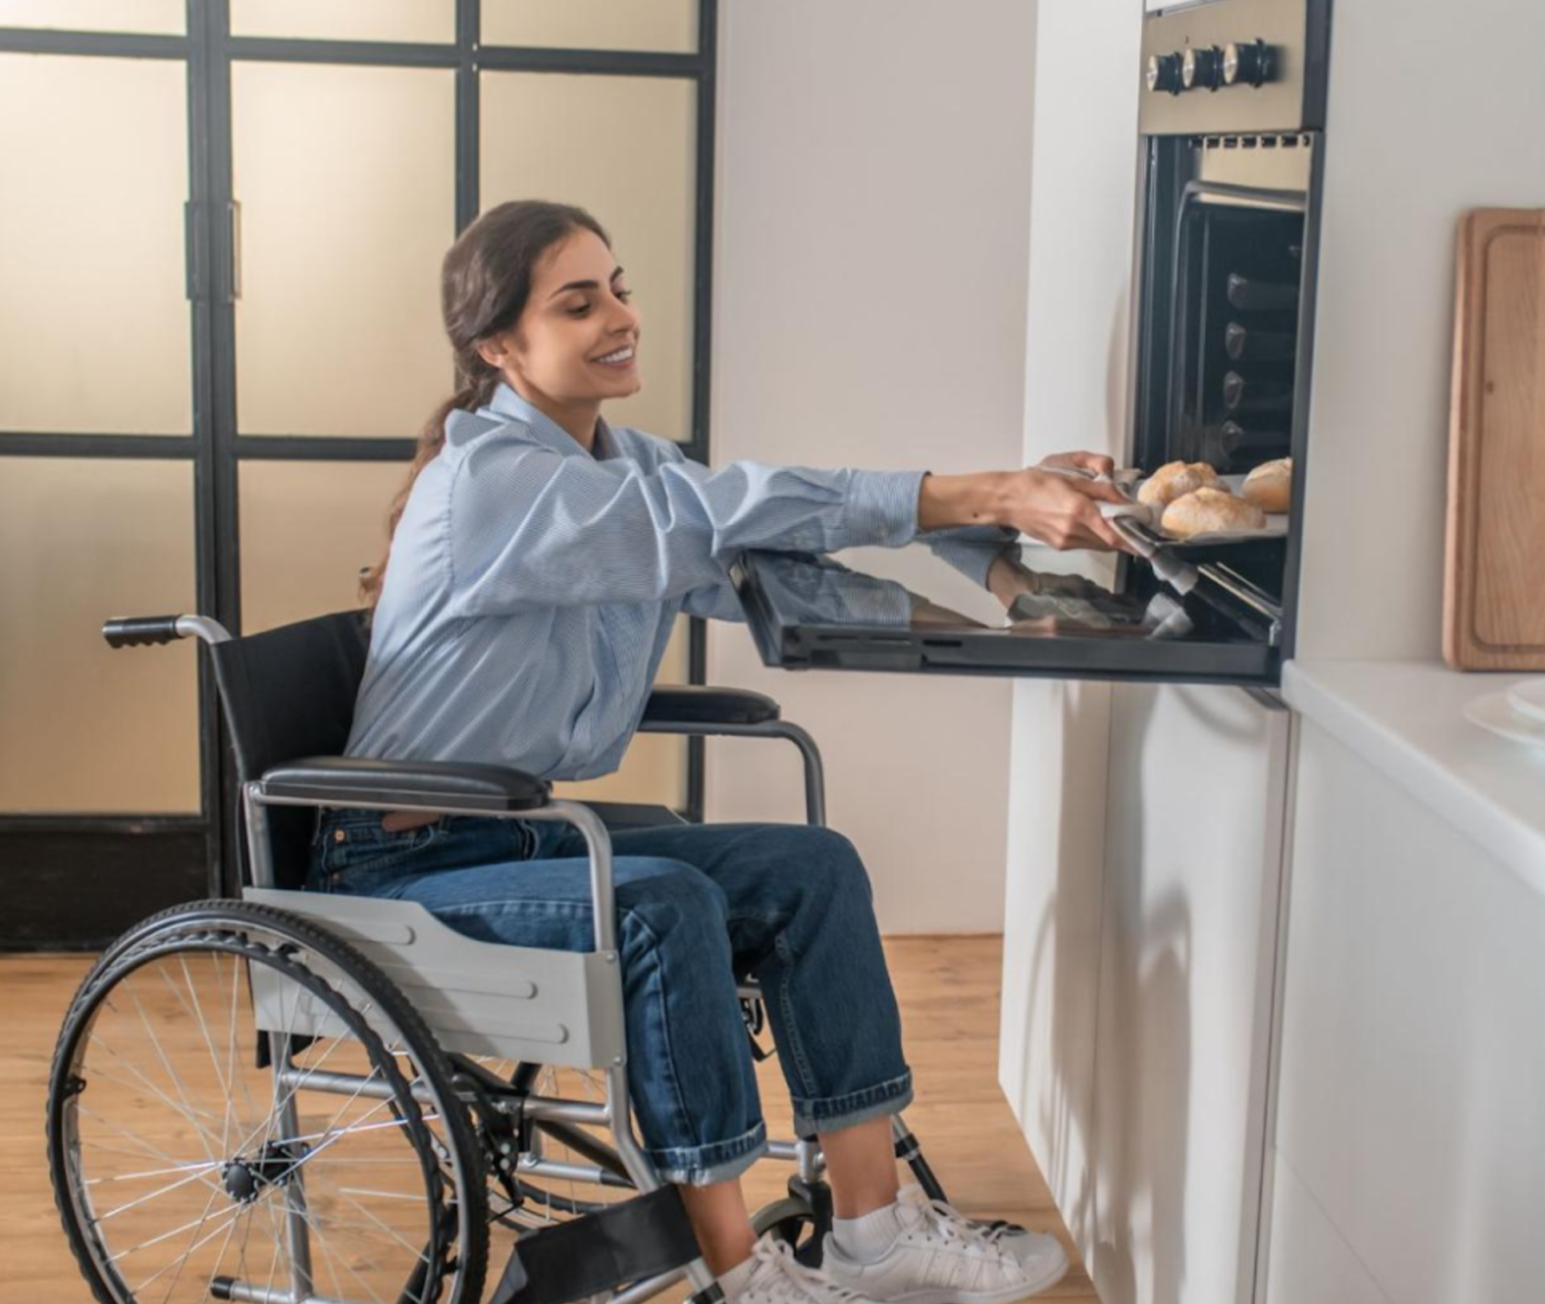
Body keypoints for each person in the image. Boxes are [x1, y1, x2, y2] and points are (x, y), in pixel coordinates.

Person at [314, 198, 1127, 1304]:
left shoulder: (617, 460)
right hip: (406, 861)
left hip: (518, 830)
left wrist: (994, 580)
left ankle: (873, 1233)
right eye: (578, 300)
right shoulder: (494, 483)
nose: (620, 314)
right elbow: (728, 511)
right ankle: (737, 1272)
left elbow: (765, 545)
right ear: (498, 346)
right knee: (661, 901)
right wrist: (978, 490)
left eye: (619, 285)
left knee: (814, 865)